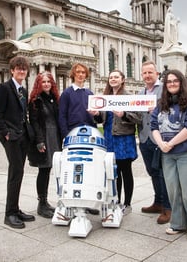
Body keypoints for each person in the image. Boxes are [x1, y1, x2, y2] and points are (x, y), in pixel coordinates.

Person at [150, 69, 187, 240]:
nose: (172, 84)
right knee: (173, 192)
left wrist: (171, 143)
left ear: (181, 83)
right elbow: (154, 125)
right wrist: (161, 144)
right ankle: (178, 224)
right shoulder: (161, 104)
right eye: (169, 82)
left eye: (175, 81)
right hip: (168, 154)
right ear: (165, 85)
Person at [0, 56, 35, 229]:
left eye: (24, 69)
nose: (21, 71)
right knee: (15, 172)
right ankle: (9, 214)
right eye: (18, 68)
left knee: (19, 172)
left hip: (22, 136)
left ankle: (15, 209)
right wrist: (5, 133)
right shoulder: (4, 88)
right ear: (12, 70)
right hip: (12, 137)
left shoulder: (23, 90)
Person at [58, 62, 101, 215]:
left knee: (89, 169)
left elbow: (99, 116)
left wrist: (97, 115)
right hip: (73, 136)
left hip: (89, 135)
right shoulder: (67, 94)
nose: (81, 75)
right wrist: (65, 136)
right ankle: (71, 201)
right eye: (78, 72)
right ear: (73, 75)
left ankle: (89, 202)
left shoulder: (90, 93)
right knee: (75, 170)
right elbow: (62, 116)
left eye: (83, 72)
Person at [101, 70, 142, 215]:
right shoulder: (105, 97)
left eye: (116, 77)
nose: (113, 79)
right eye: (111, 77)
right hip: (109, 137)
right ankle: (116, 200)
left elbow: (138, 118)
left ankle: (128, 203)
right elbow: (102, 119)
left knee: (126, 171)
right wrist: (95, 115)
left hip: (124, 138)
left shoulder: (129, 97)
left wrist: (123, 114)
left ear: (122, 79)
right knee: (114, 171)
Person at [138, 61, 171, 224]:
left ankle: (167, 207)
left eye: (150, 72)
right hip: (144, 138)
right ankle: (158, 202)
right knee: (152, 172)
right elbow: (136, 115)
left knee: (163, 173)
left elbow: (172, 108)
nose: (147, 75)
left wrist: (157, 108)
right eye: (144, 73)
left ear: (157, 73)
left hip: (160, 138)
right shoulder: (140, 91)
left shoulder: (165, 89)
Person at [28, 72, 61, 218]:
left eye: (49, 81)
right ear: (38, 84)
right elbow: (35, 122)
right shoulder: (35, 100)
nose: (46, 84)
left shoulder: (55, 99)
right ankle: (41, 203)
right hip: (44, 137)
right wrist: (39, 141)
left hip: (55, 137)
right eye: (43, 82)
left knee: (50, 169)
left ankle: (46, 202)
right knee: (44, 170)